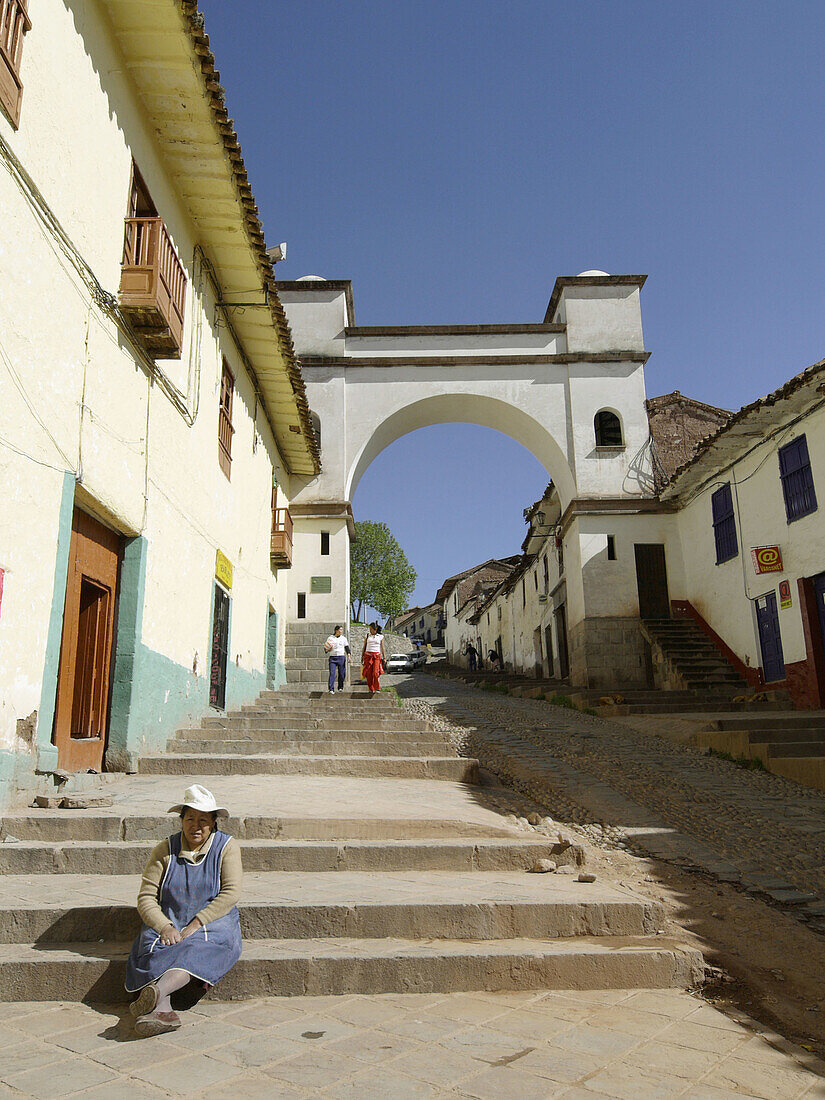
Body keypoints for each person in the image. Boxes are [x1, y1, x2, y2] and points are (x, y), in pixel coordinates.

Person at [125, 785, 242, 1037]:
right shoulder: (164, 850)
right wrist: (164, 926)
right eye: (190, 819)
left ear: (213, 823)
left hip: (212, 921)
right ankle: (161, 1011)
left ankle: (157, 991)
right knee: (154, 947)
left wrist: (197, 923)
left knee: (196, 947)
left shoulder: (226, 848)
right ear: (181, 820)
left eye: (203, 820)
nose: (196, 826)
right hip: (170, 920)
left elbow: (231, 893)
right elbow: (146, 897)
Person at [361, 621, 387, 695]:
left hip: (376, 656)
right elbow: (364, 646)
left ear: (375, 629)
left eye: (371, 629)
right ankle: (371, 688)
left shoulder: (380, 637)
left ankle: (377, 687)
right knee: (368, 673)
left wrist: (384, 657)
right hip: (368, 655)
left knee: (375, 673)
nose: (370, 630)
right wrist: (362, 656)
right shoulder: (367, 636)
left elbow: (383, 647)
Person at [324, 624, 350, 694]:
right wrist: (327, 649)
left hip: (341, 657)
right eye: (340, 630)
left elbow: (347, 648)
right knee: (332, 673)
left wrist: (349, 656)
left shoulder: (344, 638)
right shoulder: (330, 638)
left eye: (342, 630)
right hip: (333, 657)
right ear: (336, 630)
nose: (341, 631)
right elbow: (325, 648)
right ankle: (331, 688)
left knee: (342, 673)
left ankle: (340, 687)